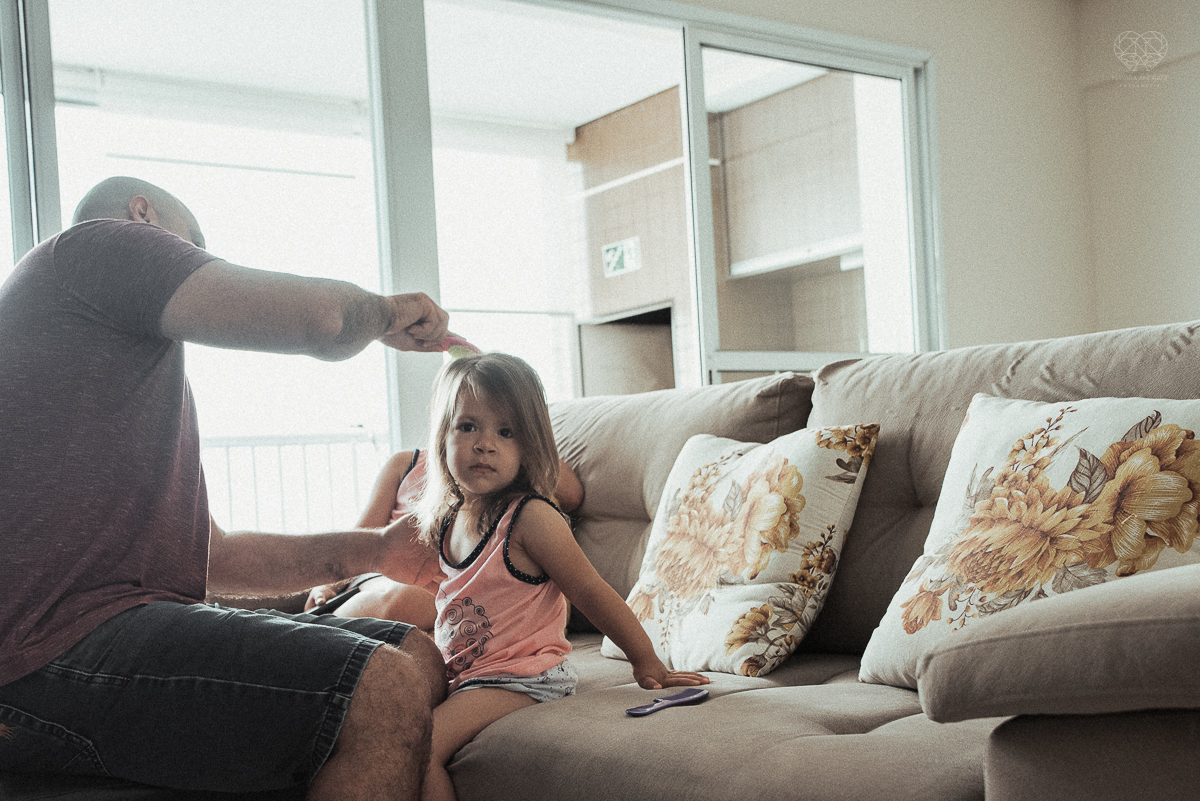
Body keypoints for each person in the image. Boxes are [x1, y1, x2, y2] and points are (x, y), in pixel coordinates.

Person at [0, 176, 453, 799]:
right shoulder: (94, 246)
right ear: (144, 214)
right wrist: (390, 312)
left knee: (419, 657)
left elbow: (213, 556)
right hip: (40, 662)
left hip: (97, 647)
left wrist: (376, 550)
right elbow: (323, 319)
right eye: (194, 247)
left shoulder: (111, 385)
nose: (196, 264)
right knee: (380, 688)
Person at [389, 352, 709, 801]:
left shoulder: (530, 518)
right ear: (442, 437)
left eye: (506, 431)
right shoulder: (445, 518)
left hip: (522, 677)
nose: (485, 444)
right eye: (468, 427)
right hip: (464, 674)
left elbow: (592, 591)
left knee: (418, 749)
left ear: (530, 446)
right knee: (377, 720)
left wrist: (646, 662)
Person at [302, 450, 585, 630]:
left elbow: (573, 495)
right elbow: (361, 537)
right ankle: (316, 631)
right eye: (466, 424)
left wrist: (524, 443)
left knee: (432, 604)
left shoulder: (509, 469)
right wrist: (326, 584)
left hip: (448, 588)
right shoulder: (405, 463)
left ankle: (318, 633)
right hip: (380, 577)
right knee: (405, 596)